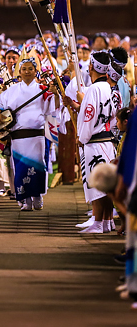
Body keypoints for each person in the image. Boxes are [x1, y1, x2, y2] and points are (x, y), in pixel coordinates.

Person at [0, 54, 58, 211]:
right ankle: (26, 200)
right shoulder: (11, 91)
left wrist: (55, 93)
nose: (27, 71)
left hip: (36, 136)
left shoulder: (42, 90)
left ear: (36, 71)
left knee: (38, 167)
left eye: (31, 69)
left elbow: (54, 107)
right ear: (19, 72)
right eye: (24, 69)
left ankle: (37, 197)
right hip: (18, 137)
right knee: (21, 168)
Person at [75, 51, 117, 233]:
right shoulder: (108, 87)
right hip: (107, 141)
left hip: (94, 142)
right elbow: (113, 115)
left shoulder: (93, 90)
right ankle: (107, 222)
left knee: (97, 185)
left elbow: (89, 116)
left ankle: (99, 223)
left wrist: (81, 138)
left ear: (91, 66)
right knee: (106, 185)